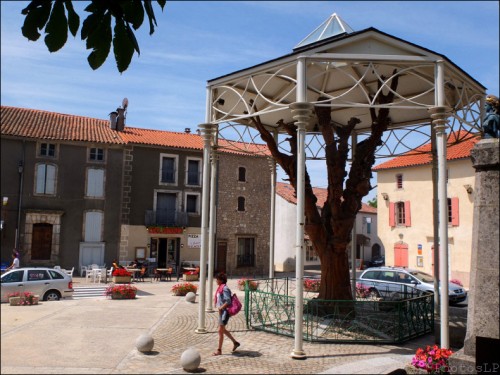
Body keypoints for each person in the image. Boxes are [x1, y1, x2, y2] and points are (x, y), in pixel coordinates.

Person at [212, 272, 240, 356]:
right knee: (222, 330)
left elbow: (228, 301)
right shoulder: (220, 287)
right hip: (222, 312)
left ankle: (219, 350)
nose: (216, 280)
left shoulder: (224, 289)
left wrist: (221, 308)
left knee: (220, 331)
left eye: (217, 279)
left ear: (221, 280)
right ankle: (235, 342)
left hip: (225, 312)